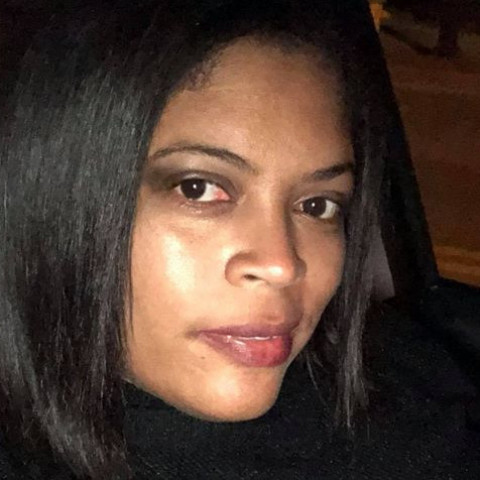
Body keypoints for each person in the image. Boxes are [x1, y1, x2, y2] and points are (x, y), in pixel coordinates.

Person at [0, 1, 479, 478]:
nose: (282, 265)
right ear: (54, 199)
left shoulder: (413, 377)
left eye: (317, 205)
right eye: (198, 189)